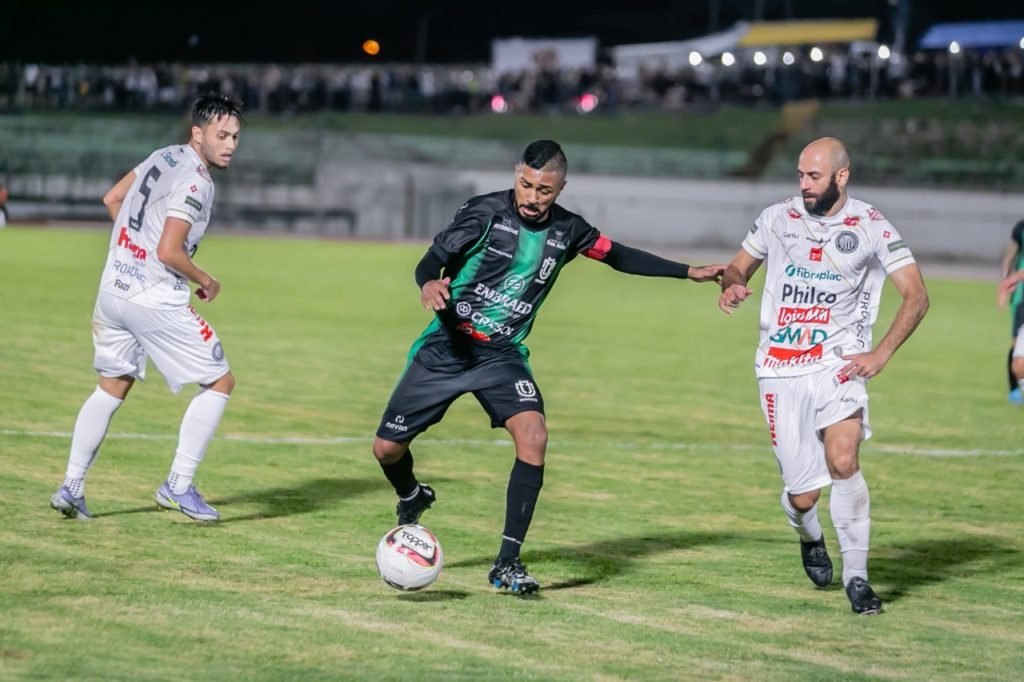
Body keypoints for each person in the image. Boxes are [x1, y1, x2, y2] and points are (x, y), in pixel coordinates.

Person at [372, 139, 725, 595]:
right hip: (448, 347)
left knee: (534, 436)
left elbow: (617, 256)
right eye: (526, 184)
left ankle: (507, 564)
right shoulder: (484, 213)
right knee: (386, 450)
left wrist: (687, 271)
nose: (533, 198)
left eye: (544, 190)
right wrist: (427, 285)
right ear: (516, 174)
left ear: (560, 188)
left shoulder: (569, 231)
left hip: (501, 355)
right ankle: (411, 495)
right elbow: (433, 260)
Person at [718, 137, 929, 615]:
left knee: (843, 459)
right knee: (803, 493)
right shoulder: (778, 217)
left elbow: (916, 295)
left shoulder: (871, 225)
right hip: (778, 368)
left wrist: (881, 353)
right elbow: (738, 268)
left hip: (839, 362)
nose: (804, 185)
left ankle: (858, 579)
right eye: (799, 175)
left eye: (813, 176)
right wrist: (732, 287)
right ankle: (809, 535)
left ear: (841, 176)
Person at [50, 93, 243, 522]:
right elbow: (170, 250)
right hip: (152, 297)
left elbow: (112, 199)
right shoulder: (197, 181)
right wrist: (206, 280)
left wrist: (130, 251)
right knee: (219, 381)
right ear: (198, 134)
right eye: (221, 135)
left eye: (234, 136)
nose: (230, 144)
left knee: (112, 385)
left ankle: (72, 487)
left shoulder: (164, 155)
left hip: (112, 290)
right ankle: (177, 486)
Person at [998, 220, 1024, 404]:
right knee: (1016, 346)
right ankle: (1014, 390)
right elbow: (1010, 255)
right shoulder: (1020, 228)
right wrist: (1007, 279)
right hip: (1021, 296)